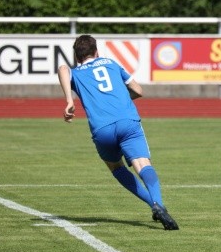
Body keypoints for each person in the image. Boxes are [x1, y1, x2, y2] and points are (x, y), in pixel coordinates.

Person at [58, 34, 179, 230]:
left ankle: (153, 204)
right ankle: (158, 203)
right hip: (127, 121)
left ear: (77, 57)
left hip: (102, 128)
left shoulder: (77, 72)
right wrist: (121, 97)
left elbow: (62, 69)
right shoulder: (111, 63)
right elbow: (138, 90)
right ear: (96, 52)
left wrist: (69, 100)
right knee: (142, 163)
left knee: (116, 167)